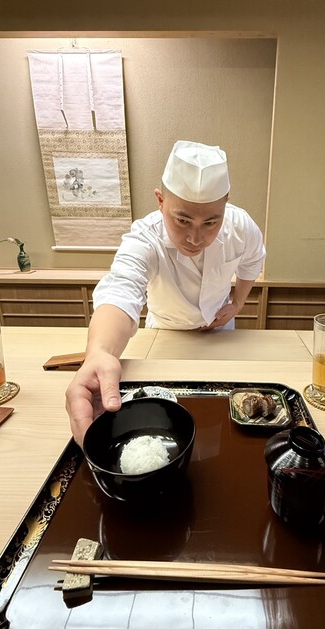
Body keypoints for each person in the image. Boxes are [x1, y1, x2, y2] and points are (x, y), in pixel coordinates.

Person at [66, 140, 266, 446]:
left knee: (220, 426)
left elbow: (253, 260)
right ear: (160, 201)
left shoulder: (241, 227)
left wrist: (237, 303)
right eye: (182, 220)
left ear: (225, 207)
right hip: (164, 335)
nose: (195, 237)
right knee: (163, 428)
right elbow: (121, 289)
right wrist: (99, 354)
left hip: (220, 336)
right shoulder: (146, 237)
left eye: (211, 222)